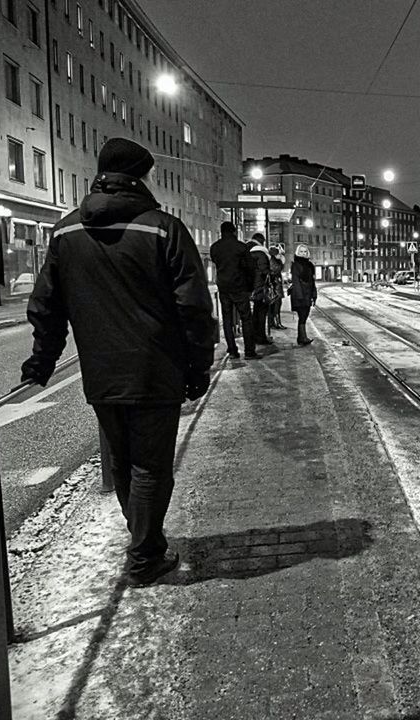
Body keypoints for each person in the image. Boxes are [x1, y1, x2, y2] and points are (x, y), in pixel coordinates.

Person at [21, 137, 215, 587]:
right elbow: (193, 308)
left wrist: (41, 362)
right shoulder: (163, 229)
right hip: (155, 370)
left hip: (101, 373)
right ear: (141, 176)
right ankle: (145, 556)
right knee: (150, 467)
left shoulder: (66, 232)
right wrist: (197, 366)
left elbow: (46, 304)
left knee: (125, 462)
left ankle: (144, 544)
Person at [210, 222, 257, 359]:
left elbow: (216, 262)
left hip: (223, 287)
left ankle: (232, 350)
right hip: (240, 287)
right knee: (246, 319)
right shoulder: (241, 247)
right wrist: (250, 287)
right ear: (234, 232)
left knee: (227, 319)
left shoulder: (215, 247)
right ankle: (249, 351)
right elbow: (250, 268)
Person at [247, 233, 272, 345]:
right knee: (261, 313)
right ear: (261, 241)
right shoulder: (261, 253)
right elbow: (264, 271)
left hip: (250, 287)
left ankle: (253, 337)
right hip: (260, 288)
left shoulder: (247, 251)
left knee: (254, 314)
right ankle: (260, 337)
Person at [290, 244, 317, 345]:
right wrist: (300, 296)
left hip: (308, 293)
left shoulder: (309, 265)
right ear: (297, 252)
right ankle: (302, 338)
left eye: (305, 251)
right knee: (302, 316)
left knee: (305, 315)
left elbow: (312, 281)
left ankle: (302, 337)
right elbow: (295, 281)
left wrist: (314, 295)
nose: (303, 253)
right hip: (300, 294)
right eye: (301, 251)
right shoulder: (296, 265)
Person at [268, 245, 286, 330]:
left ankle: (274, 322)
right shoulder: (273, 261)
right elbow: (276, 270)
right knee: (276, 305)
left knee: (276, 305)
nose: (281, 256)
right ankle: (277, 323)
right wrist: (282, 263)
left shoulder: (273, 260)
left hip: (276, 286)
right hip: (275, 287)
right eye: (279, 254)